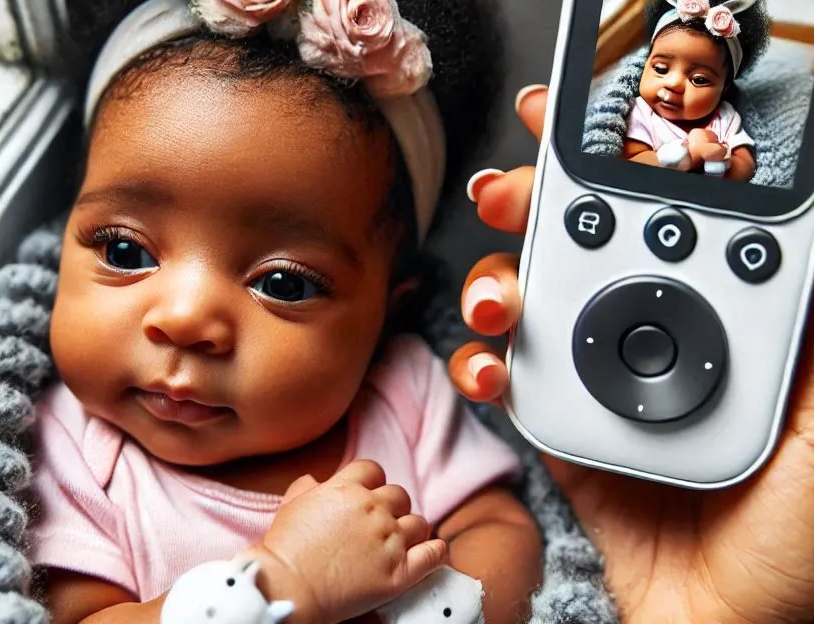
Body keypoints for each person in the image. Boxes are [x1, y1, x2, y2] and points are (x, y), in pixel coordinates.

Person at [27, 0, 543, 622]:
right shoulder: (71, 447)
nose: (185, 318)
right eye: (125, 250)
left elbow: (499, 525)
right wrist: (282, 583)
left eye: (283, 285)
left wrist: (452, 601)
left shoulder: (403, 394)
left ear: (384, 316)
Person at [454, 84, 814, 622]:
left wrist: (719, 157)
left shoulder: (732, 122)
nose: (673, 83)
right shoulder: (633, 115)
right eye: (662, 65)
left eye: (700, 77)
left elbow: (741, 163)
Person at [622, 0, 769, 180]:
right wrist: (691, 156)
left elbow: (747, 164)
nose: (674, 84)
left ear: (724, 89)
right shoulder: (641, 112)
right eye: (660, 69)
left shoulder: (725, 117)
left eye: (698, 80)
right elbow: (630, 159)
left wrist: (723, 161)